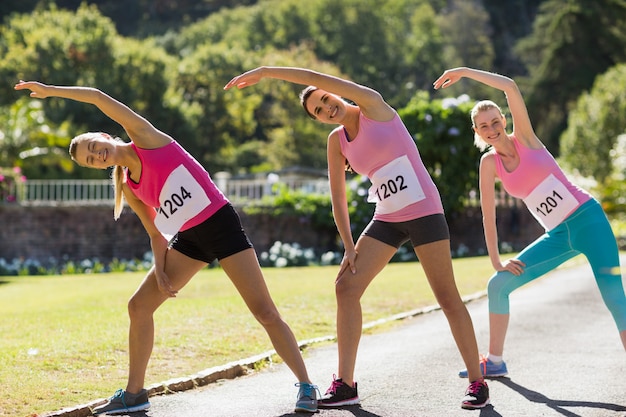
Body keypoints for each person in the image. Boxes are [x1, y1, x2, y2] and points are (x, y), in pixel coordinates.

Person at [14, 80, 319, 414]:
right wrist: (160, 270)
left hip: (219, 223)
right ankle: (134, 395)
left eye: (93, 148)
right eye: (91, 161)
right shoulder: (129, 186)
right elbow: (157, 233)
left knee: (264, 311)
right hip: (189, 239)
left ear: (103, 136)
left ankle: (306, 385)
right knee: (139, 306)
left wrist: (50, 90)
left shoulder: (145, 138)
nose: (97, 156)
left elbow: (98, 97)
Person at [224, 66, 490, 410]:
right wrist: (349, 246)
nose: (326, 108)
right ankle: (346, 383)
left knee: (447, 297)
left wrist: (267, 72)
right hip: (388, 217)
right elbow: (338, 198)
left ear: (333, 91)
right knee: (345, 287)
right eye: (318, 111)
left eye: (325, 99)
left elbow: (315, 78)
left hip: (424, 210)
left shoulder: (374, 108)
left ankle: (477, 382)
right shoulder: (337, 141)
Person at [433, 67, 626, 378]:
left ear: (504, 121)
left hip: (588, 221)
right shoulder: (489, 163)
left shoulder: (525, 138)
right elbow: (488, 214)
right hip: (559, 236)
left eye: (495, 121)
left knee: (615, 298)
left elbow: (509, 86)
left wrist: (465, 72)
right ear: (477, 132)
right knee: (498, 285)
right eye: (484, 126)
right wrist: (496, 260)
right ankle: (494, 361)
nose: (491, 128)